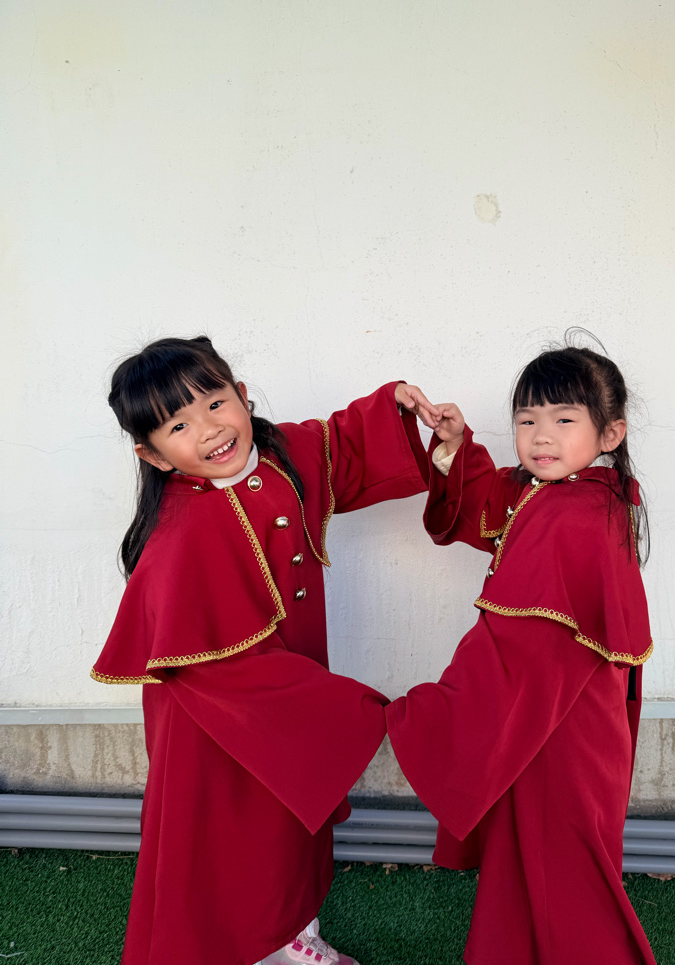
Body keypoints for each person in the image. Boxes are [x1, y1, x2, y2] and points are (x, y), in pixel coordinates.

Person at [92, 335, 435, 965]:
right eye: (178, 425)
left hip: (285, 693)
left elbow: (340, 444)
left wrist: (398, 408)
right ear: (153, 455)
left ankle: (290, 936)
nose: (210, 430)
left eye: (216, 403)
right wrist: (340, 710)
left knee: (286, 824)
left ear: (242, 396)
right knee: (233, 836)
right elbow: (215, 668)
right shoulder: (179, 537)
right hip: (217, 722)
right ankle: (254, 949)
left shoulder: (277, 456)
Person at [386, 344, 657, 965]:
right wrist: (454, 445)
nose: (541, 436)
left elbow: (518, 643)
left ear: (610, 433)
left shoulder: (572, 516)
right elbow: (494, 500)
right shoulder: (576, 492)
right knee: (542, 860)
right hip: (555, 715)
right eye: (527, 420)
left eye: (564, 420)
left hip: (558, 730)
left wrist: (430, 711)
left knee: (560, 866)